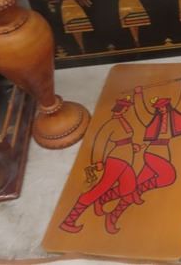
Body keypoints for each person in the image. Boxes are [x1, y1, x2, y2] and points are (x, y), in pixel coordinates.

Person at [92, 74, 181, 234]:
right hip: (152, 153)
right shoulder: (152, 120)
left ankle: (110, 212)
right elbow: (140, 111)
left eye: (163, 106)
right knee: (169, 177)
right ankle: (137, 191)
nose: (161, 109)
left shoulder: (176, 115)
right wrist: (138, 94)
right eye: (159, 108)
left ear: (168, 106)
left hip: (164, 153)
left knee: (131, 188)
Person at [59, 97, 142, 234]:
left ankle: (111, 216)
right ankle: (69, 221)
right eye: (125, 107)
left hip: (126, 158)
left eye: (127, 107)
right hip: (116, 160)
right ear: (120, 108)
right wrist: (97, 160)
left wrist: (133, 147)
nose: (127, 109)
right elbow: (100, 142)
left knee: (130, 188)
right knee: (100, 188)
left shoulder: (122, 121)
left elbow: (124, 140)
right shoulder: (111, 124)